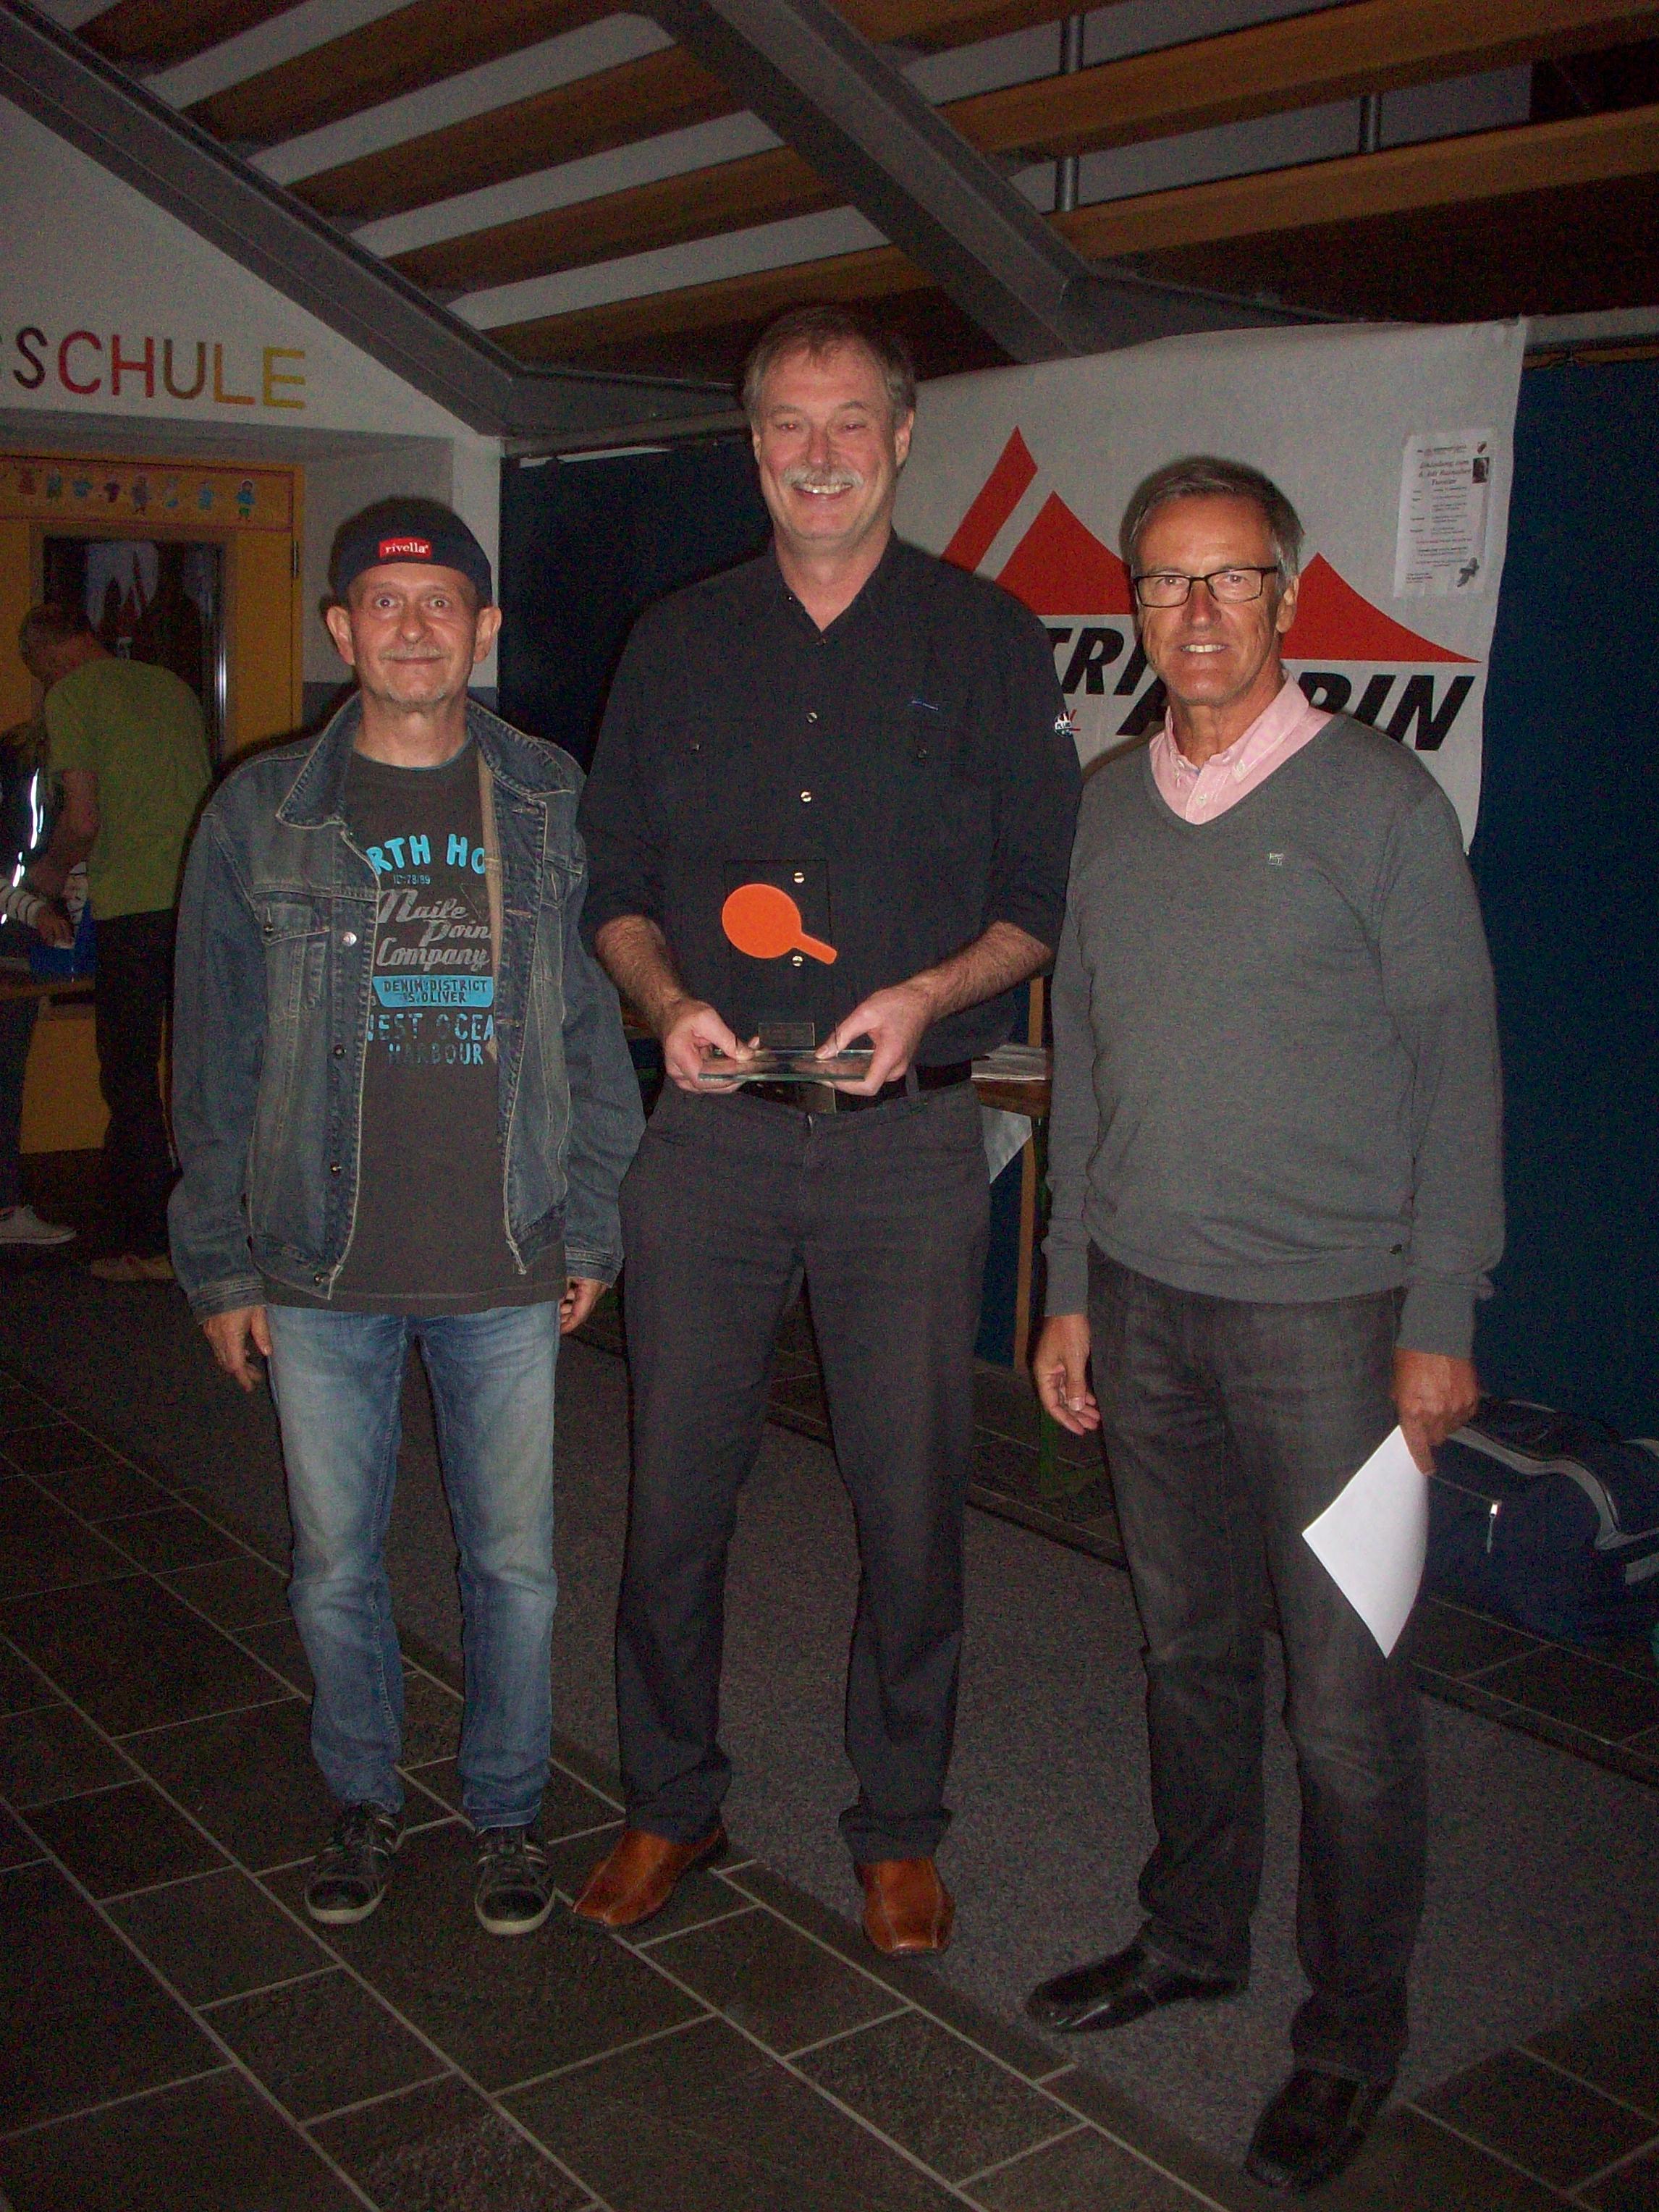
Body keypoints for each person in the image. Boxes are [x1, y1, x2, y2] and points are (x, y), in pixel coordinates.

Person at [573, 306, 1081, 1953]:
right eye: (787, 423)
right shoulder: (675, 640)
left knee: (910, 1502)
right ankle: (671, 1799)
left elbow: (1038, 898)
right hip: (710, 1137)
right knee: (672, 1500)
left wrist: (930, 991)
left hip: (903, 1148)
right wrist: (663, 1000)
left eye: (849, 419)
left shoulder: (987, 639)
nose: (817, 452)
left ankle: (900, 1822)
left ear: (902, 435)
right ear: (752, 444)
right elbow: (613, 884)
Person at [1029, 457, 1503, 2192]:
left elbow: (1457, 1061)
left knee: (1348, 1705)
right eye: (1167, 581)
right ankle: (1192, 1934)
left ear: (1288, 598)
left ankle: (1350, 2031)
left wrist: (1437, 1309)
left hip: (1333, 1328)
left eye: (1232, 577)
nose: (1200, 611)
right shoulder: (1103, 807)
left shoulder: (1378, 799)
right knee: (1188, 1653)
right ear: (1134, 606)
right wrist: (1068, 1284)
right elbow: (1083, 1052)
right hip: (1145, 1307)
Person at [169, 499, 643, 1936]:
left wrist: (592, 1222)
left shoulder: (550, 797)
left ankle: (505, 1811)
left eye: (444, 601)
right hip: (318, 1263)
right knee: (334, 1567)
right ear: (342, 629)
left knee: (516, 1571)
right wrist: (219, 1262)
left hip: (506, 1254)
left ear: (485, 628)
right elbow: (214, 1051)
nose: (416, 626)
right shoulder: (262, 812)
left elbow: (592, 1032)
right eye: (386, 603)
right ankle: (363, 1794)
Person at [19, 603, 211, 1282]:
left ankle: (148, 1243)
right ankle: (210, 1234)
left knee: (128, 1075)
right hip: (201, 897)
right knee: (196, 1071)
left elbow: (83, 819)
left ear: (46, 657)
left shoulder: (72, 696)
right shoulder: (172, 686)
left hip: (134, 903)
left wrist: (45, 873)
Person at [0, 717, 75, 1249]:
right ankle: (6, 1208)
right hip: (11, 947)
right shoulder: (26, 785)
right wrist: (38, 911)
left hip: (19, 945)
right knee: (5, 1078)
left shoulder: (35, 785)